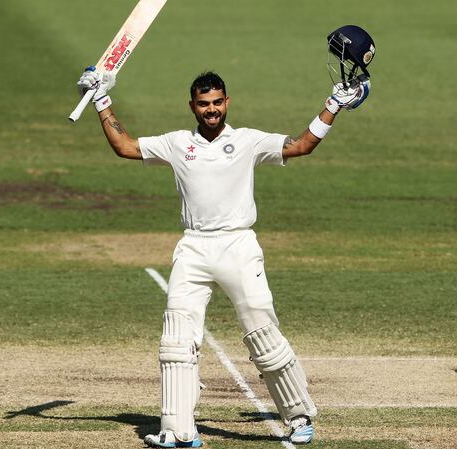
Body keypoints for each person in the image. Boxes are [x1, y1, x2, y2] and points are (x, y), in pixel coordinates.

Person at [76, 26, 372, 449]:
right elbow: (124, 146)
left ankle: (299, 415)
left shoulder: (248, 141)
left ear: (227, 102)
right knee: (177, 340)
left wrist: (333, 106)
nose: (211, 110)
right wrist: (101, 100)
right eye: (204, 104)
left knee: (262, 334)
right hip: (194, 248)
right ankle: (179, 431)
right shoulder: (176, 143)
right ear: (193, 107)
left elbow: (301, 146)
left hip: (238, 246)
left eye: (217, 103)